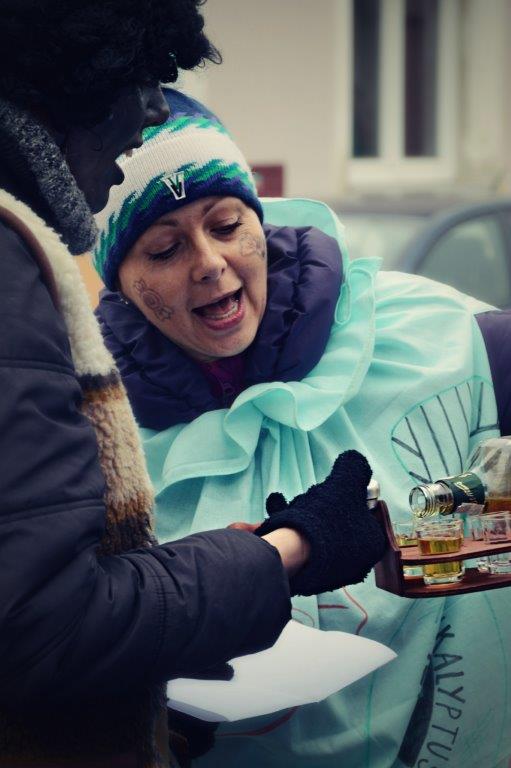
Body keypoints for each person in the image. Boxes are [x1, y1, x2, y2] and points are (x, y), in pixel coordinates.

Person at [0, 4, 385, 767]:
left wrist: (148, 711)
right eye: (139, 75)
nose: (157, 107)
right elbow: (45, 628)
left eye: (228, 224)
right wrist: (289, 550)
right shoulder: (9, 270)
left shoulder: (426, 327)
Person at [95, 88, 511, 768]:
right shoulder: (91, 424)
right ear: (122, 281)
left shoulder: (442, 338)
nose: (209, 262)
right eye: (165, 249)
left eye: (226, 225)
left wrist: (423, 543)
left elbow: (496, 537)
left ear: (258, 222)